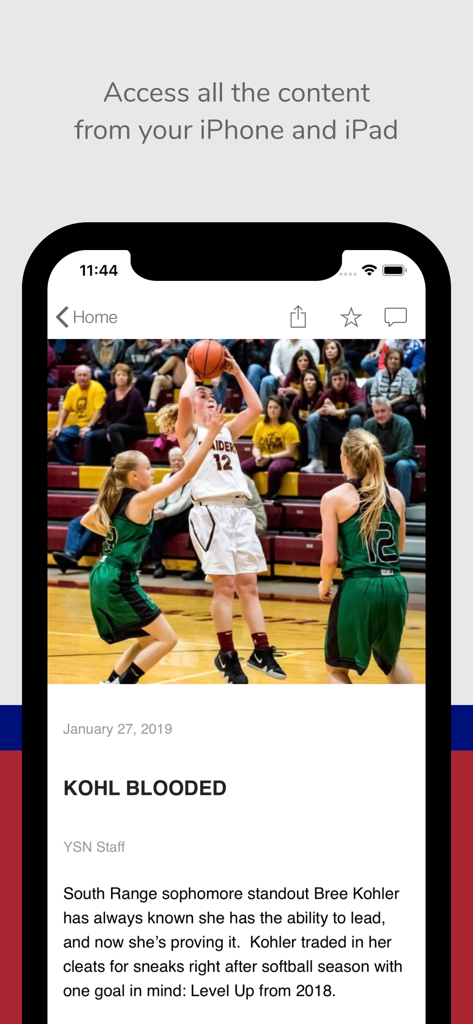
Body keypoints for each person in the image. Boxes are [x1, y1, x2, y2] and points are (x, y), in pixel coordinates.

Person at [158, 352, 287, 684]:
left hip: (238, 513)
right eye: (204, 395)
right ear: (193, 407)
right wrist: (191, 371)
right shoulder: (189, 435)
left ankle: (261, 650)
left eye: (211, 394)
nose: (209, 397)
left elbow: (256, 409)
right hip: (211, 513)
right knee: (225, 586)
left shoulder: (227, 431)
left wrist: (237, 370)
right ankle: (228, 657)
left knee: (249, 584)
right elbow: (186, 396)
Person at [80, 406, 226, 685]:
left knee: (148, 638)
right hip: (117, 579)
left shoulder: (115, 496)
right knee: (168, 638)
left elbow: (88, 520)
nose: (153, 472)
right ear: (134, 476)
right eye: (148, 468)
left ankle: (108, 685)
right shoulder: (139, 499)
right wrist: (211, 437)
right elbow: (184, 475)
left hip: (105, 572)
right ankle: (123, 686)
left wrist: (118, 544)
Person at [318, 428, 413, 684]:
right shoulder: (396, 495)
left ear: (346, 458)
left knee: (336, 669)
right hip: (394, 585)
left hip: (360, 587)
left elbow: (329, 559)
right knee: (391, 661)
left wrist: (324, 584)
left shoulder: (334, 497)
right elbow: (398, 547)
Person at [302, 367, 366, 473]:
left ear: (346, 379)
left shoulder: (354, 389)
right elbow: (313, 412)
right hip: (335, 432)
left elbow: (362, 408)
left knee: (355, 417)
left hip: (353, 432)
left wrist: (337, 412)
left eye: (340, 379)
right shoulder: (329, 393)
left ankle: (353, 460)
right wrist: (322, 410)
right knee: (313, 418)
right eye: (335, 379)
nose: (338, 382)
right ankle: (316, 460)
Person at [83, 364, 147, 465]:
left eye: (124, 375)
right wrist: (109, 428)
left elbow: (130, 416)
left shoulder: (135, 393)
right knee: (90, 436)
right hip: (114, 429)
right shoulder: (110, 394)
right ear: (114, 377)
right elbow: (105, 417)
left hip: (135, 427)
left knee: (114, 429)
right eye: (119, 375)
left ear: (129, 377)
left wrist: (112, 428)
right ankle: (92, 467)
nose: (121, 377)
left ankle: (121, 461)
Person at [241, 395, 300, 499]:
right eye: (270, 407)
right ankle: (249, 493)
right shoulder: (261, 425)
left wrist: (269, 457)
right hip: (265, 457)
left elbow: (289, 452)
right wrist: (258, 456)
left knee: (274, 468)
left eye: (276, 407)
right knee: (243, 467)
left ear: (282, 410)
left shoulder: (289, 426)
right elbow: (256, 447)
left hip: (286, 459)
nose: (272, 410)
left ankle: (271, 494)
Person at [148, 447, 194, 578]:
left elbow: (183, 504)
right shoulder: (167, 477)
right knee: (154, 522)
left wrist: (165, 513)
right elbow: (161, 497)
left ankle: (198, 568)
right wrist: (156, 509)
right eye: (173, 460)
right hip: (169, 514)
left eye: (180, 460)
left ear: (185, 461)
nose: (176, 463)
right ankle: (158, 565)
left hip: (183, 516)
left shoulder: (191, 478)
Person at [364, 398, 419, 505]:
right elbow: (364, 449)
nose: (379, 415)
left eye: (383, 411)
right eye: (376, 412)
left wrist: (381, 459)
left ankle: (402, 505)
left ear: (390, 410)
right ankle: (370, 506)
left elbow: (405, 452)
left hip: (408, 461)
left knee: (402, 465)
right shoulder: (368, 425)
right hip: (382, 463)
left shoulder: (403, 424)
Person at [49, 365, 106, 465]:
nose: (82, 378)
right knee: (58, 435)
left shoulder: (97, 388)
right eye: (79, 375)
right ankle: (67, 465)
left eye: (84, 375)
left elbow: (99, 410)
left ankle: (90, 467)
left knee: (88, 436)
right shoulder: (72, 390)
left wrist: (89, 426)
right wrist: (59, 426)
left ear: (90, 376)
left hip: (96, 426)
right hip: (79, 426)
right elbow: (65, 410)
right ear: (75, 377)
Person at [259, 338, 321, 409]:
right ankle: (265, 414)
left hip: (306, 381)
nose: (303, 363)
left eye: (305, 360)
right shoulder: (279, 344)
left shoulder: (310, 343)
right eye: (300, 361)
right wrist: (281, 385)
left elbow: (314, 365)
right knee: (266, 381)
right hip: (283, 375)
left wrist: (295, 391)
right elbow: (273, 365)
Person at [370, 348, 418, 426]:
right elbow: (373, 394)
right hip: (382, 402)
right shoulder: (379, 373)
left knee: (396, 409)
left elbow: (406, 396)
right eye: (390, 358)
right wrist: (376, 403)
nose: (393, 361)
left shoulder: (406, 372)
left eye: (396, 359)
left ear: (400, 361)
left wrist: (388, 403)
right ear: (386, 360)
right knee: (370, 410)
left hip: (399, 402)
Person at [290, 369, 324, 463]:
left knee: (305, 428)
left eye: (312, 380)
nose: (308, 382)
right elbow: (291, 418)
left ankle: (306, 461)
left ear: (317, 382)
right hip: (301, 431)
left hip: (319, 431)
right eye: (306, 380)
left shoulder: (322, 397)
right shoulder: (298, 399)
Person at [145, 340, 190, 410]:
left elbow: (180, 352)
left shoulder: (182, 347)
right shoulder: (159, 351)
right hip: (169, 378)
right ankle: (151, 405)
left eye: (167, 338)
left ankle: (158, 373)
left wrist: (162, 351)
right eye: (163, 338)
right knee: (158, 379)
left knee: (174, 358)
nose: (164, 340)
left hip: (182, 378)